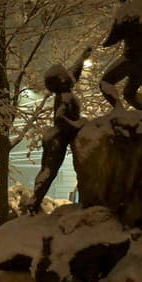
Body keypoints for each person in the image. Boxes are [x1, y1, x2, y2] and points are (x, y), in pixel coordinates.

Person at [24, 49, 90, 214]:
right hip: (58, 138)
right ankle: (34, 202)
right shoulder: (64, 97)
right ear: (60, 81)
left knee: (53, 170)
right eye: (64, 75)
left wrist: (82, 57)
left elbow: (75, 72)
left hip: (62, 135)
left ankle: (35, 202)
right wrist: (77, 125)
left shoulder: (66, 91)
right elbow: (60, 119)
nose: (69, 76)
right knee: (49, 170)